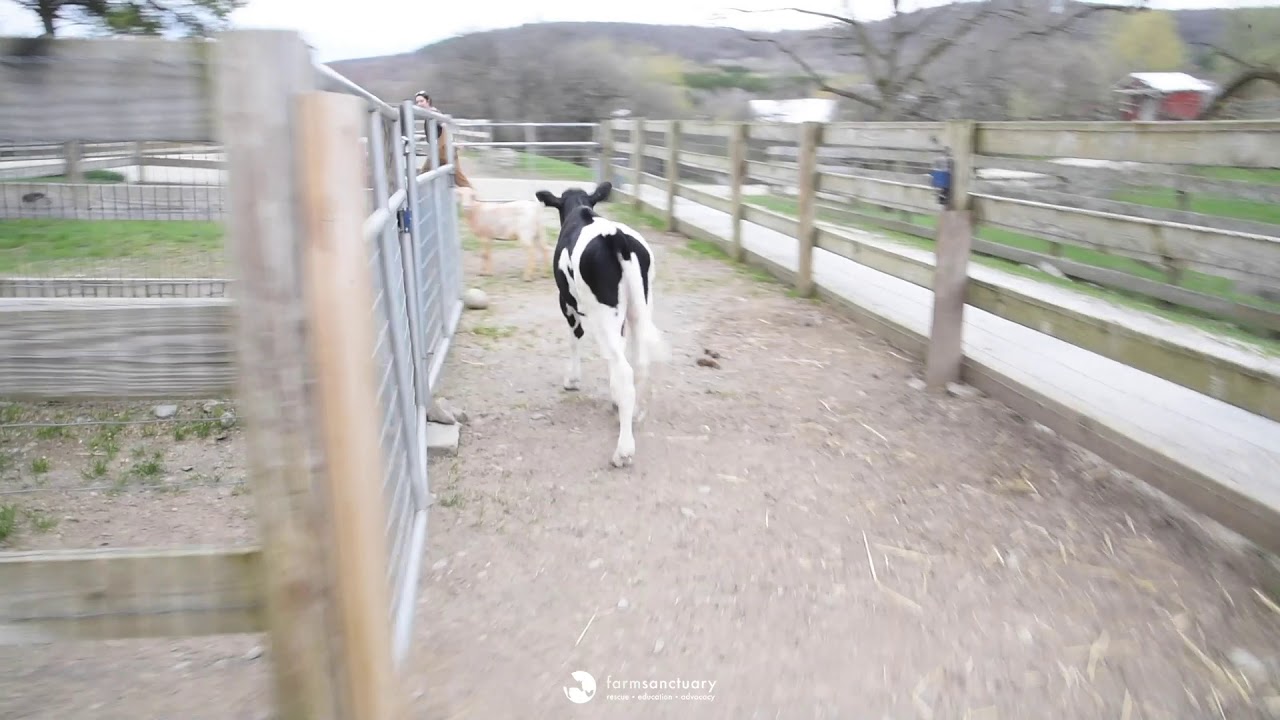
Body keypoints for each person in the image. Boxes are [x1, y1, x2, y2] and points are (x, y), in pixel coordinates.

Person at [414, 91, 472, 189]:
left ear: (428, 101)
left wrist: (452, 141)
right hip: (441, 150)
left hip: (442, 150)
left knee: (425, 174)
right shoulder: (429, 115)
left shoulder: (434, 114)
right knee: (456, 175)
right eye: (417, 102)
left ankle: (472, 196)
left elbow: (444, 125)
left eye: (421, 101)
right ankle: (471, 195)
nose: (419, 104)